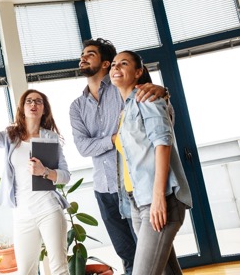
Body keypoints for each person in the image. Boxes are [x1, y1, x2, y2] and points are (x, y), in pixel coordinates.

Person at [69, 38, 169, 275]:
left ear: (106, 63)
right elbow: (83, 147)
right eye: (82, 54)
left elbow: (155, 116)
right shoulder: (77, 106)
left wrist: (164, 90)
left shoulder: (124, 88)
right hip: (104, 190)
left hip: (134, 188)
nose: (82, 58)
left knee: (151, 255)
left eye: (89, 54)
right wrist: (112, 140)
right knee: (127, 254)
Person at [0, 77, 71, 275]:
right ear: (22, 108)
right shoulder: (11, 137)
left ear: (44, 110)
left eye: (38, 101)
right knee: (26, 272)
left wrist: (45, 172)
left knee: (59, 269)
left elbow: (66, 176)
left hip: (48, 209)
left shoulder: (49, 138)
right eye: (29, 101)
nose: (33, 104)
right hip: (22, 214)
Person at [109, 50, 192, 275]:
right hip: (137, 201)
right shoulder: (125, 111)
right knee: (167, 272)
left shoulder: (147, 98)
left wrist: (158, 199)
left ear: (138, 72)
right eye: (114, 64)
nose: (116, 67)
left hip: (158, 200)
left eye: (123, 63)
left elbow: (162, 144)